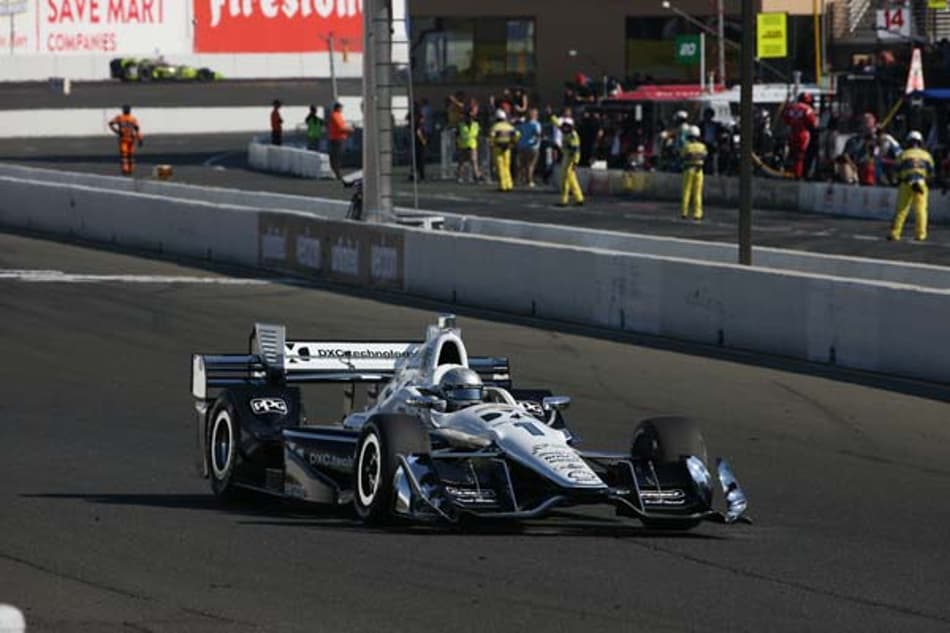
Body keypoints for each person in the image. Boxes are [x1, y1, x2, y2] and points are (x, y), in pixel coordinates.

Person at [888, 130, 934, 242]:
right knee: (921, 210)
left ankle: (895, 234)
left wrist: (895, 180)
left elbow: (895, 171)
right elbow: (931, 172)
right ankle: (921, 235)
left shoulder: (903, 155)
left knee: (901, 209)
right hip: (920, 183)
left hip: (906, 183)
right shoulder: (927, 155)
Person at [783, 93, 818, 179]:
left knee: (792, 154)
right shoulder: (807, 109)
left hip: (792, 134)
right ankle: (798, 175)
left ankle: (789, 172)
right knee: (800, 156)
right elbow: (813, 123)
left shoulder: (792, 107)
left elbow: (786, 119)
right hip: (803, 134)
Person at [681, 125, 707, 220]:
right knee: (698, 193)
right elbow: (705, 156)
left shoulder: (687, 146)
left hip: (689, 170)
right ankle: (698, 213)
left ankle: (684, 212)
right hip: (699, 170)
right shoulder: (702, 146)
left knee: (687, 191)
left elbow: (682, 156)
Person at [108, 104, 143, 176]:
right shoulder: (130, 118)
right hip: (127, 139)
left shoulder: (123, 118)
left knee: (127, 155)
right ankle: (127, 169)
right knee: (127, 155)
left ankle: (128, 169)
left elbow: (110, 123)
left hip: (127, 139)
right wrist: (140, 139)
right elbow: (137, 130)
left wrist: (116, 131)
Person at [489, 109, 519, 192]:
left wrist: (492, 144)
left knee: (500, 167)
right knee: (507, 166)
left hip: (498, 148)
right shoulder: (510, 126)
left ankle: (503, 186)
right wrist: (512, 143)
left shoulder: (495, 127)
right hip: (507, 148)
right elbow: (517, 135)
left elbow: (492, 137)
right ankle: (509, 184)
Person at [558, 117, 584, 206]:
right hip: (566, 158)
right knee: (572, 180)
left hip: (570, 160)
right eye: (564, 126)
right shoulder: (566, 132)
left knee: (565, 180)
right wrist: (551, 116)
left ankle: (564, 200)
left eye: (566, 126)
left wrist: (575, 162)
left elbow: (576, 151)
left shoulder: (573, 136)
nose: (564, 128)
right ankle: (579, 198)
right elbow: (557, 124)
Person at [516, 108, 542, 187]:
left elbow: (517, 132)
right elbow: (537, 134)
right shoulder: (536, 124)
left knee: (522, 164)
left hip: (522, 145)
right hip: (532, 146)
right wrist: (537, 141)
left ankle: (518, 179)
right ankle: (529, 180)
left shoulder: (523, 124)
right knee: (531, 164)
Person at [328, 101, 353, 180]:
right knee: (337, 157)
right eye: (341, 107)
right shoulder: (336, 116)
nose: (342, 109)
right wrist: (349, 129)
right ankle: (337, 174)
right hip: (337, 139)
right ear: (338, 108)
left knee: (336, 157)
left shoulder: (337, 115)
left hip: (337, 139)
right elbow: (340, 128)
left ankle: (337, 173)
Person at [456, 111, 481, 183]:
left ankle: (476, 176)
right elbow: (457, 135)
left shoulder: (476, 125)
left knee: (474, 161)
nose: (470, 119)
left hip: (472, 146)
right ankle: (460, 176)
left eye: (471, 117)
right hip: (463, 146)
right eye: (468, 117)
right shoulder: (461, 125)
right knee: (461, 162)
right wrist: (457, 144)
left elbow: (478, 134)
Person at [410, 109, 428, 181]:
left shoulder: (416, 124)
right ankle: (422, 176)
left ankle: (413, 175)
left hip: (417, 144)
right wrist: (423, 140)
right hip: (419, 145)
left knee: (417, 161)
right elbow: (418, 132)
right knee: (420, 160)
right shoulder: (419, 125)